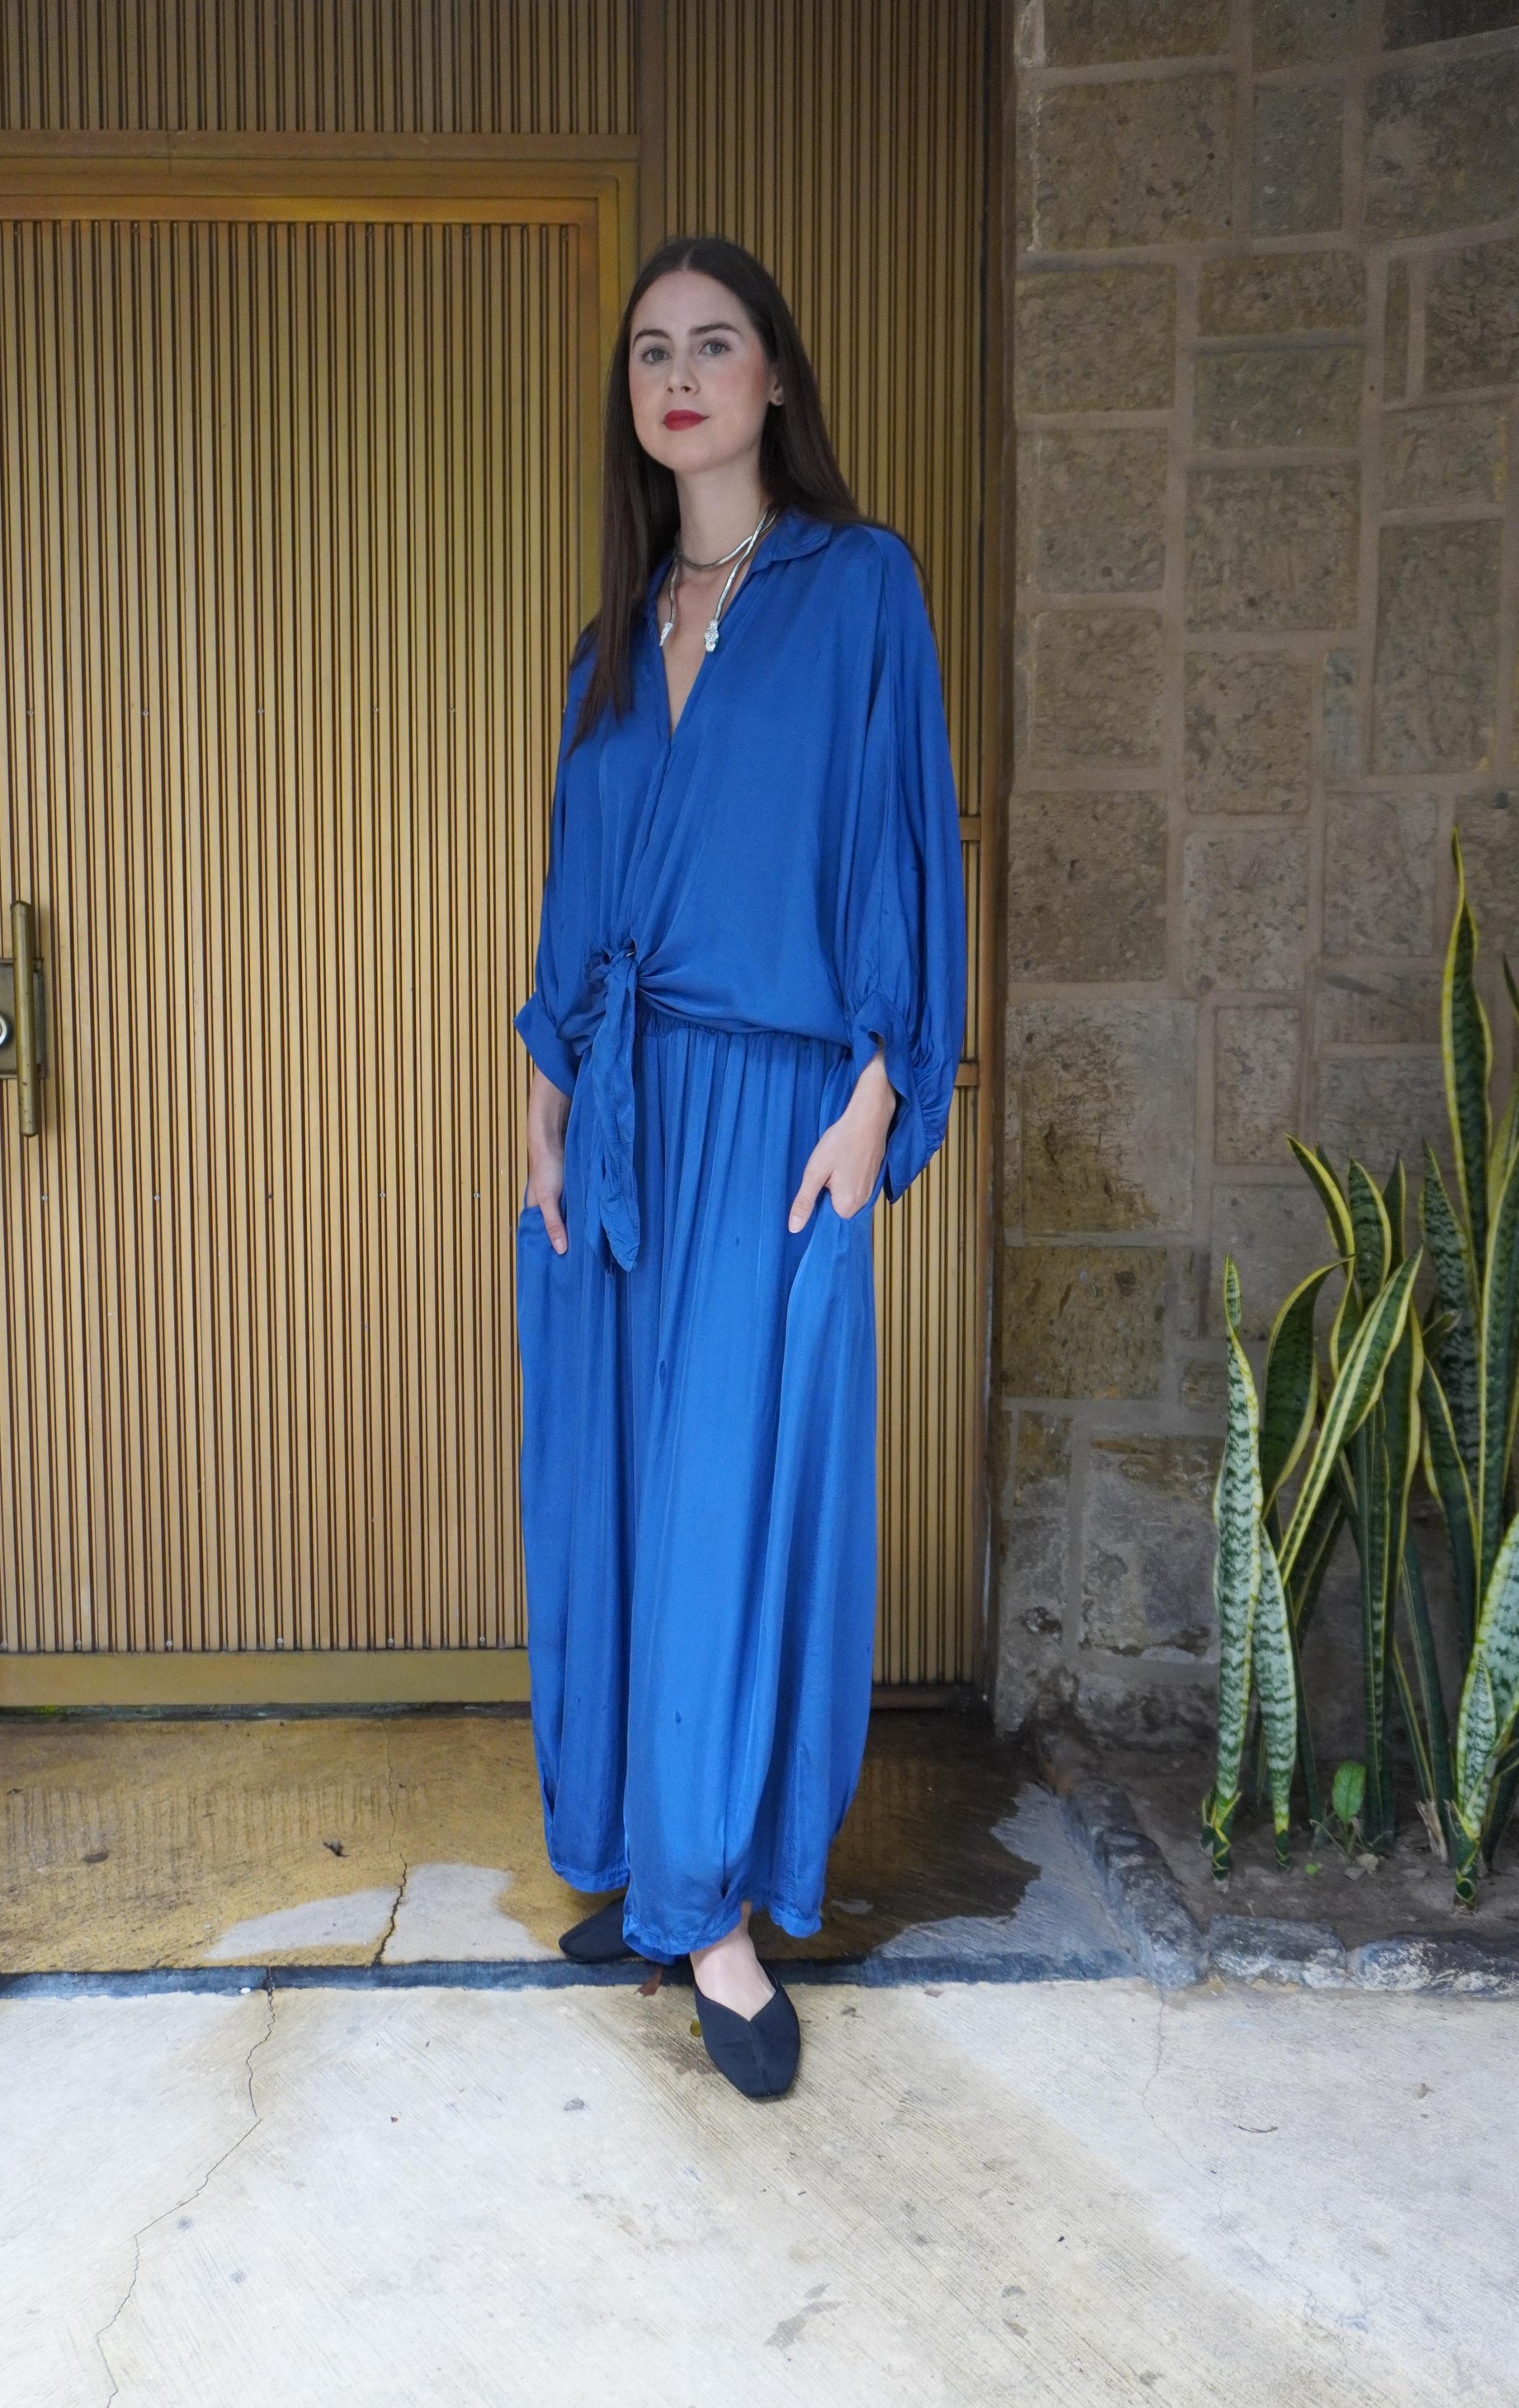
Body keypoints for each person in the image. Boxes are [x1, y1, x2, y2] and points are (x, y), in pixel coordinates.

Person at [514, 234, 966, 2100]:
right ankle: (646, 1855)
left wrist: (879, 1097)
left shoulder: (859, 590)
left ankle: (715, 1909)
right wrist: (543, 1103)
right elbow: (574, 897)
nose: (680, 376)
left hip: (776, 1118)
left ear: (775, 375)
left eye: (714, 344)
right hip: (619, 1119)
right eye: (650, 352)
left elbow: (908, 845)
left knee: (730, 1503)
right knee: (617, 1498)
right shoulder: (607, 644)